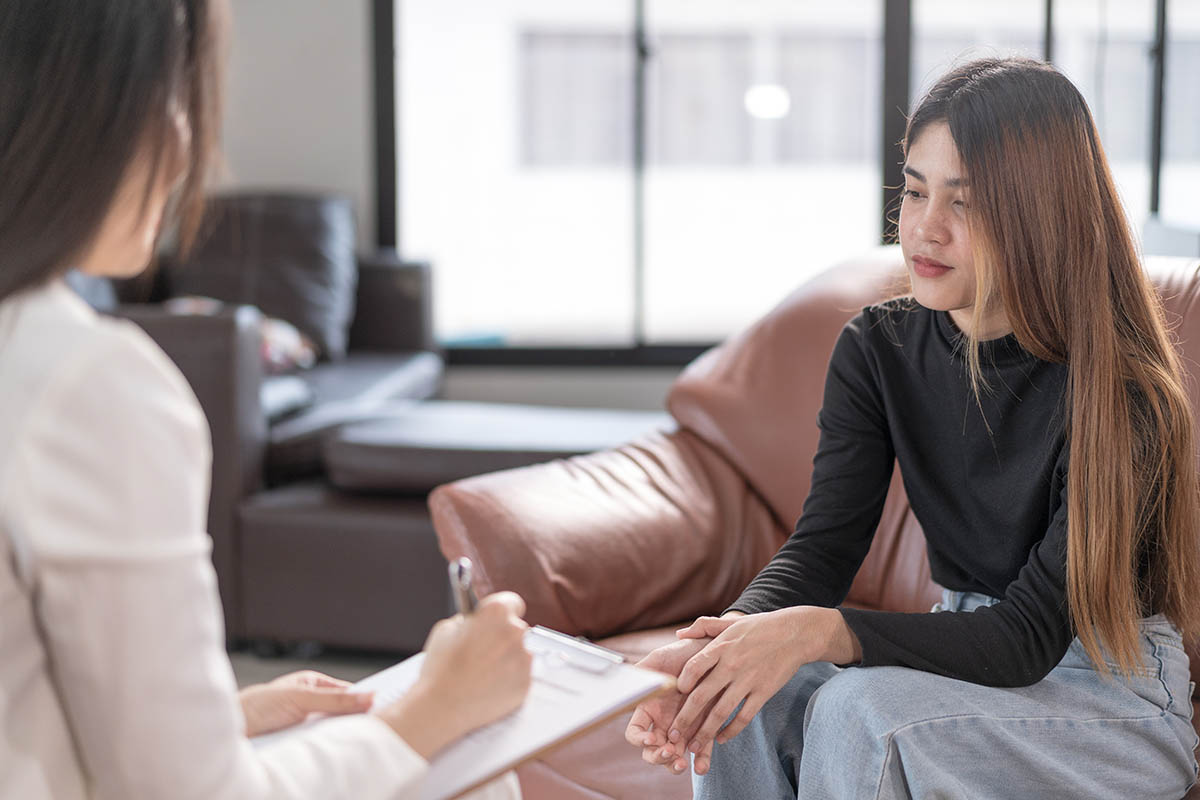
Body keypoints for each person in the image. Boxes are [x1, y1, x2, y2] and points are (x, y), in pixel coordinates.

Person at [624, 57, 1200, 799]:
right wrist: (716, 649)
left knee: (862, 712)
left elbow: (1025, 638)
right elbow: (823, 547)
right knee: (751, 694)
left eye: (966, 203)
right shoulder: (879, 348)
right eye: (916, 191)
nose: (926, 229)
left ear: (1038, 213)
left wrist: (824, 632)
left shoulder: (1123, 394)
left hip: (1114, 697)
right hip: (961, 654)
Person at [0, 2, 531, 798]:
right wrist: (434, 708)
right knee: (476, 767)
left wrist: (223, 717)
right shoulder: (89, 382)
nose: (190, 146)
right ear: (84, 107)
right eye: (175, 95)